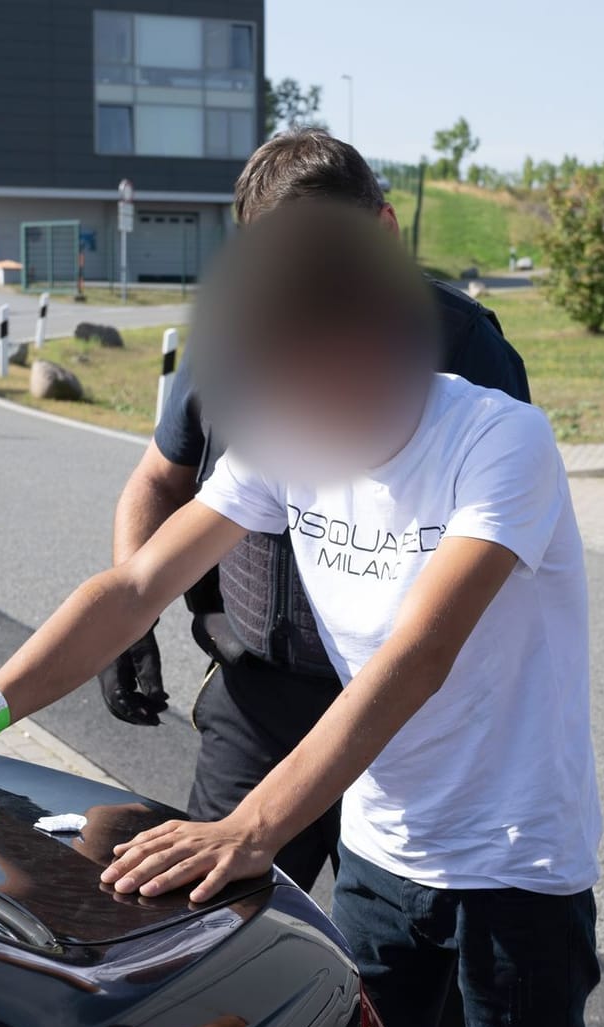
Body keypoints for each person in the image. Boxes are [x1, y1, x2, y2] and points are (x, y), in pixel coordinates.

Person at [0, 201, 601, 1027]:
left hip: (514, 865)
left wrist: (252, 826)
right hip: (381, 853)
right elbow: (135, 586)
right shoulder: (290, 433)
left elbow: (416, 657)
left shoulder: (499, 441)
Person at [97, 127, 530, 894]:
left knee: (394, 973)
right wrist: (127, 619)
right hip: (263, 696)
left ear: (384, 233)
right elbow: (157, 481)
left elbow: (487, 566)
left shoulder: (470, 351)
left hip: (409, 718)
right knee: (213, 925)